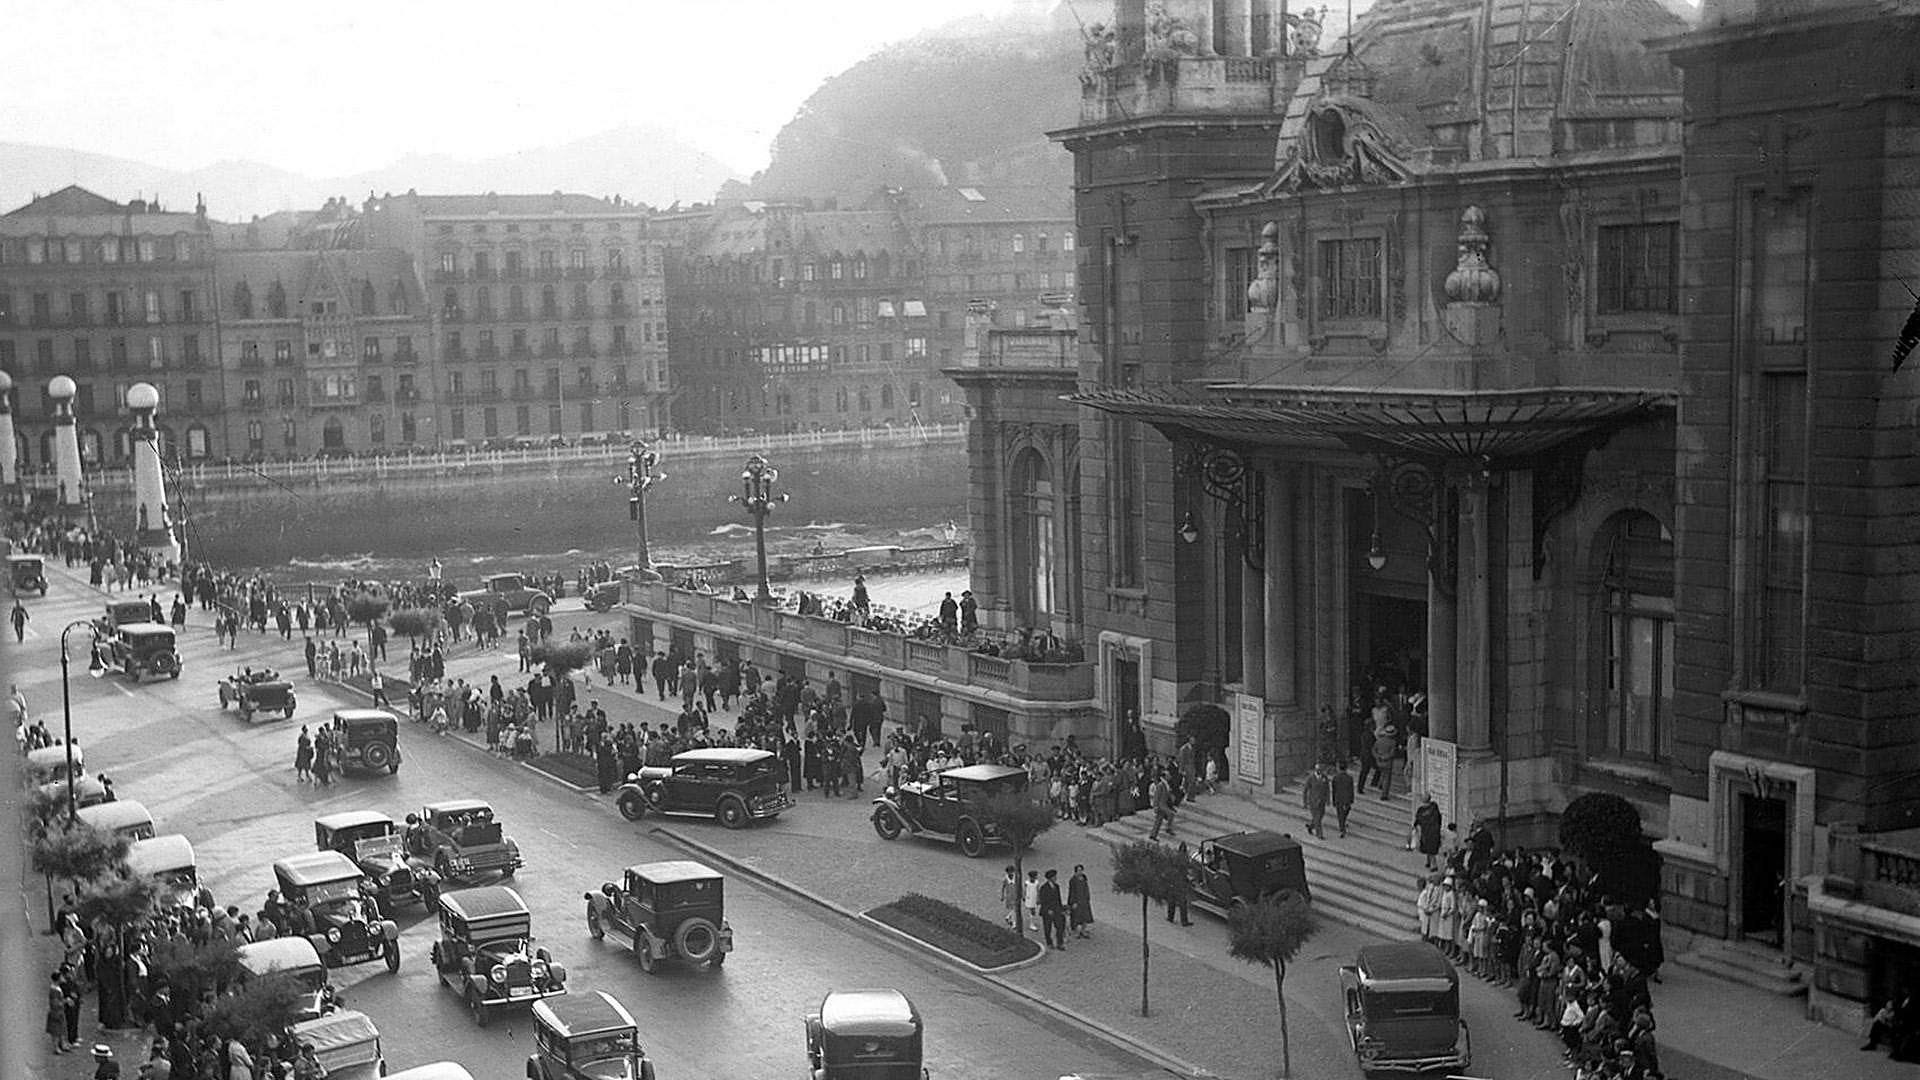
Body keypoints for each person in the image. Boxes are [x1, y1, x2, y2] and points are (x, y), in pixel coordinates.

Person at [1039, 868, 1067, 950]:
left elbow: (1058, 899)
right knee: (1047, 928)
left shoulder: (1057, 887)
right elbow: (1043, 900)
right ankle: (1049, 942)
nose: (1056, 878)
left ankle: (1060, 943)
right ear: (1050, 878)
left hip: (1056, 910)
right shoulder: (1044, 888)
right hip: (1047, 911)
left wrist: (1061, 909)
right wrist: (1048, 910)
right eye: (1054, 877)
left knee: (1060, 926)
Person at [1413, 794, 1444, 869]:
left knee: (1430, 847)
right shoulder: (1434, 806)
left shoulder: (1423, 810)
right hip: (1432, 830)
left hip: (1429, 830)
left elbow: (1418, 819)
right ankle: (1428, 861)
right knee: (1428, 846)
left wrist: (1415, 825)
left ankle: (1434, 865)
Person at [1303, 764, 1330, 839]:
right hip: (1313, 802)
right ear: (1316, 770)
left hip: (1322, 801)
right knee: (1317, 818)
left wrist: (1328, 800)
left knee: (1321, 815)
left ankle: (1311, 826)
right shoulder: (1310, 778)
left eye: (1321, 770)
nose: (1320, 772)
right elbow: (1305, 790)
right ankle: (1319, 834)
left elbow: (1327, 789)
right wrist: (1305, 802)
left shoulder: (1324, 777)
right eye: (1319, 770)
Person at [1148, 770, 1176, 841]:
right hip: (1161, 805)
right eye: (1168, 775)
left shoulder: (1166, 784)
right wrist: (1155, 806)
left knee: (1159, 820)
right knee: (1170, 814)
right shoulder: (1160, 785)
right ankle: (1168, 828)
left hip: (1164, 804)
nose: (1169, 776)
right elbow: (1156, 796)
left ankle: (1153, 834)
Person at [1331, 758, 1356, 837]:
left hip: (1338, 798)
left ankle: (1342, 827)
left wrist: (1333, 800)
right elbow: (1351, 789)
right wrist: (1351, 799)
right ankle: (1342, 827)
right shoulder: (1349, 778)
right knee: (1345, 811)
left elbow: (1334, 790)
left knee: (1340, 813)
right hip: (1346, 798)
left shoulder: (1335, 778)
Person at [1068, 864, 1094, 939]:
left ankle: (1083, 930)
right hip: (1077, 901)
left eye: (1081, 870)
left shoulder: (1084, 879)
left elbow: (1086, 889)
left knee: (1085, 917)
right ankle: (1077, 932)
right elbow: (1072, 891)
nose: (1080, 872)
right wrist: (1073, 902)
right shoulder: (1073, 880)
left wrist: (1088, 897)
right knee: (1077, 917)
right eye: (1078, 870)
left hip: (1084, 901)